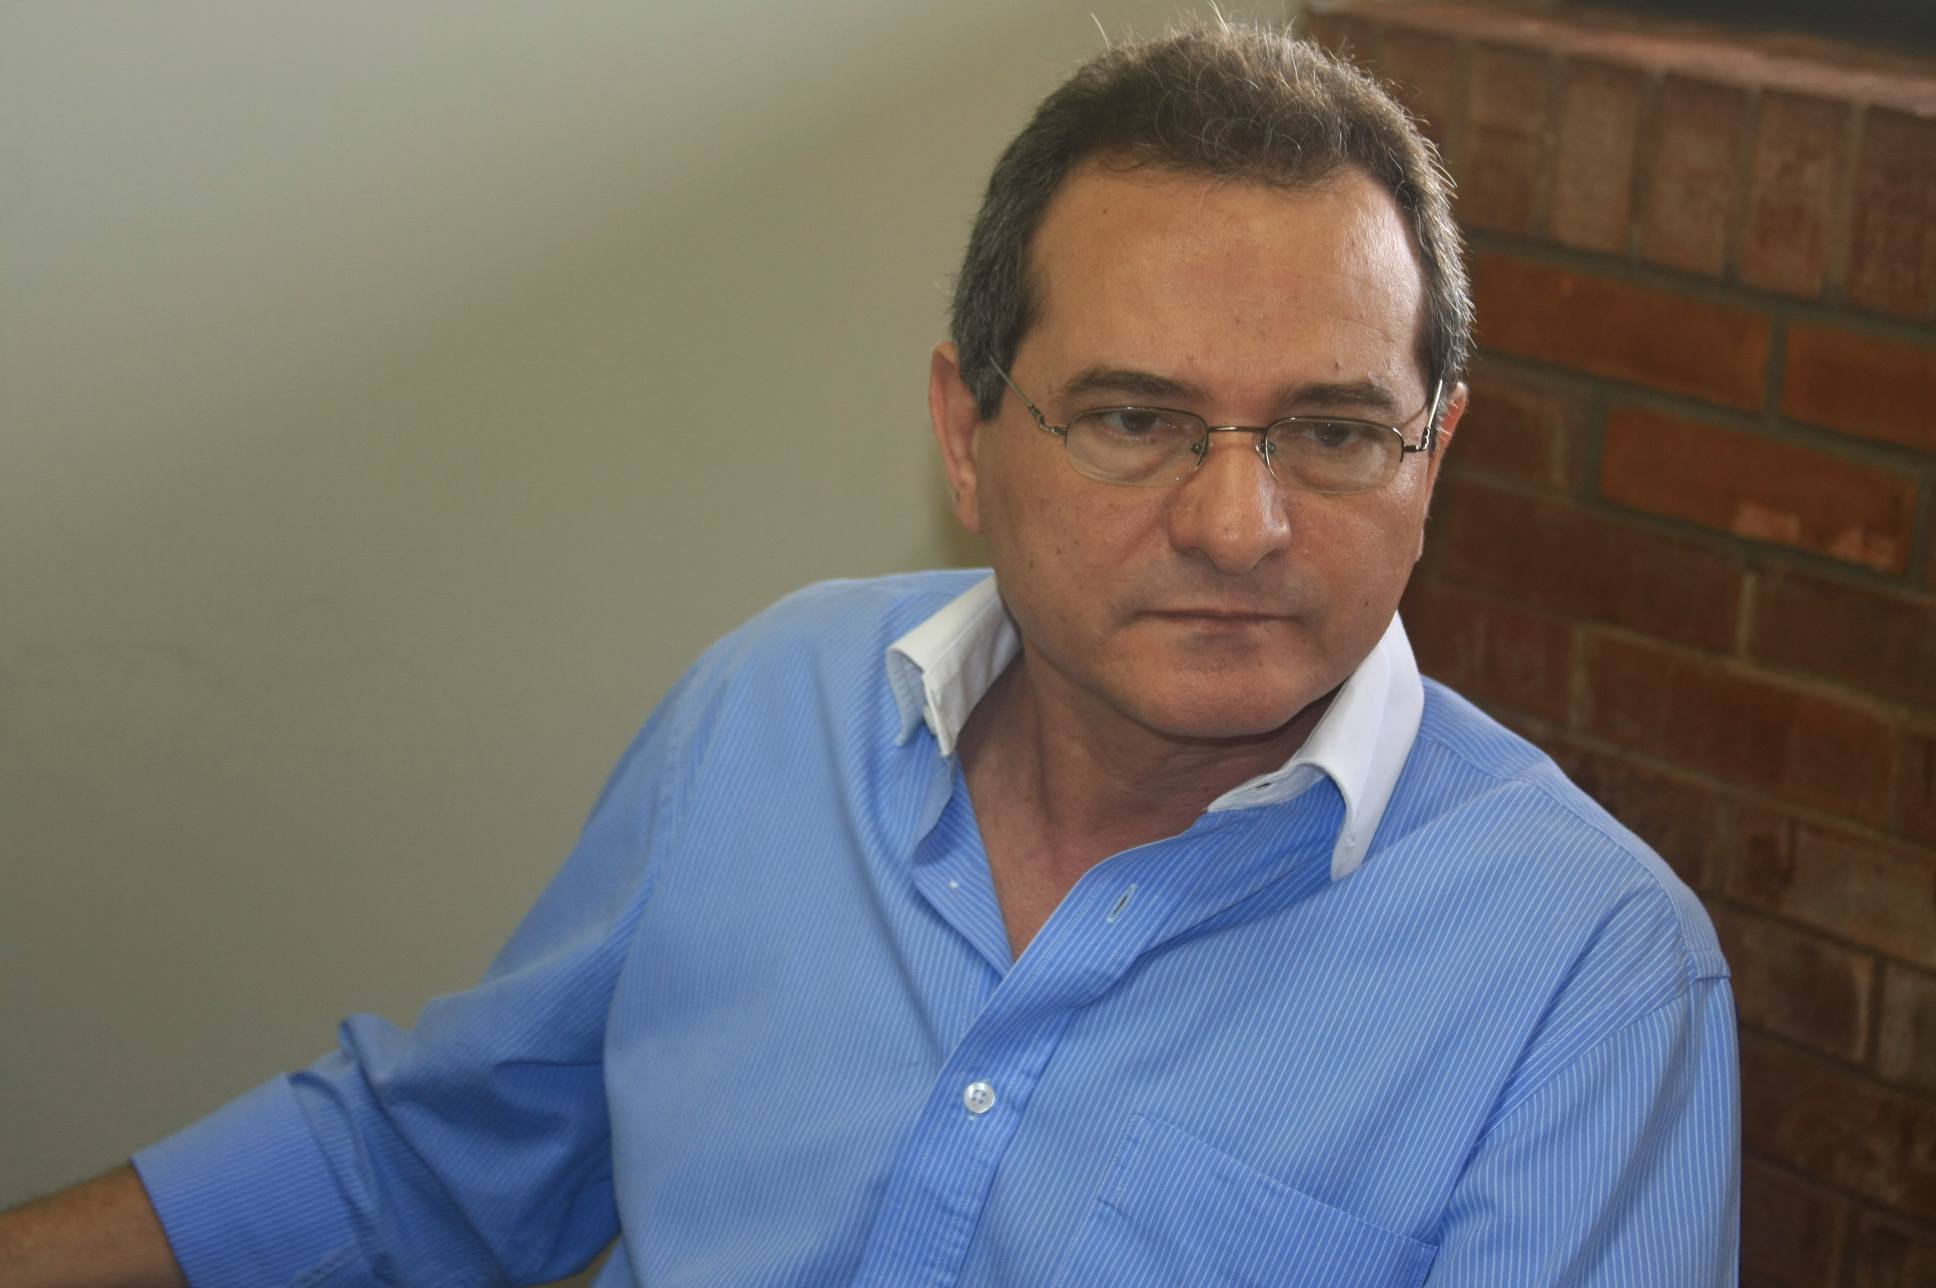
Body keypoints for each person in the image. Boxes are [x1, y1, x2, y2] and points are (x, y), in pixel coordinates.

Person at [0, 20, 1738, 1287]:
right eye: (1135, 420)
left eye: (1333, 431)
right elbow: (432, 1162)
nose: (1237, 525)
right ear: (966, 435)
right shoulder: (775, 709)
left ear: (1433, 454)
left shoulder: (1581, 979)